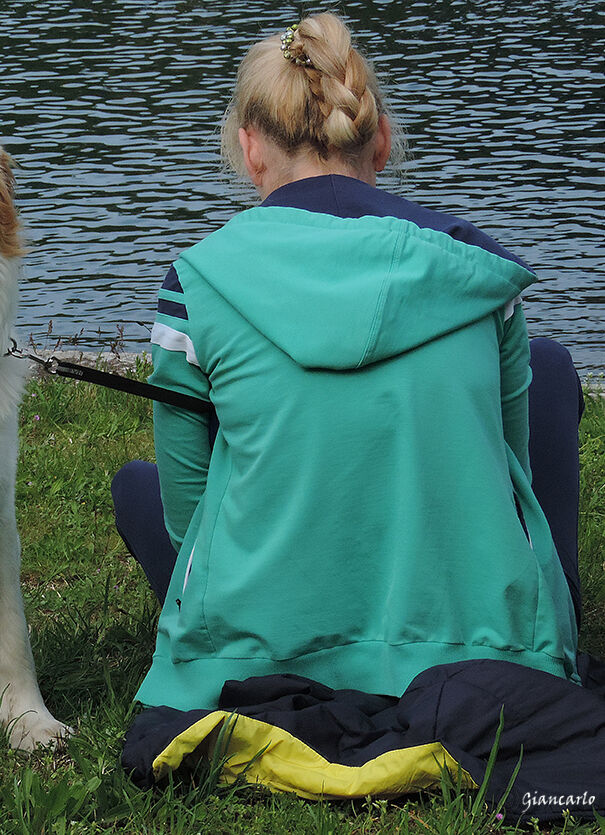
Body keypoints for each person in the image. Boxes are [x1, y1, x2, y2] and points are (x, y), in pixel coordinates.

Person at [113, 13, 584, 712]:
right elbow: (505, 478)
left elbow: (187, 522)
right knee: (544, 369)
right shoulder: (479, 273)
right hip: (492, 653)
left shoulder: (196, 284)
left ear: (250, 151)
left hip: (260, 655)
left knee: (138, 487)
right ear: (381, 139)